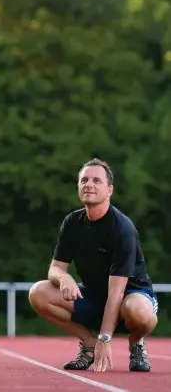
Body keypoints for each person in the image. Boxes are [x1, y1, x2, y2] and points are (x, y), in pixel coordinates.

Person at [29, 158, 158, 373]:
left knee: (138, 310)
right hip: (95, 297)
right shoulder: (72, 223)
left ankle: (136, 342)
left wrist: (105, 338)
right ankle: (88, 343)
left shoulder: (122, 228)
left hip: (131, 296)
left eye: (96, 180)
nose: (89, 184)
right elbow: (55, 268)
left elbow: (116, 292)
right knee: (38, 293)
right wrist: (64, 277)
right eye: (84, 180)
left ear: (109, 190)